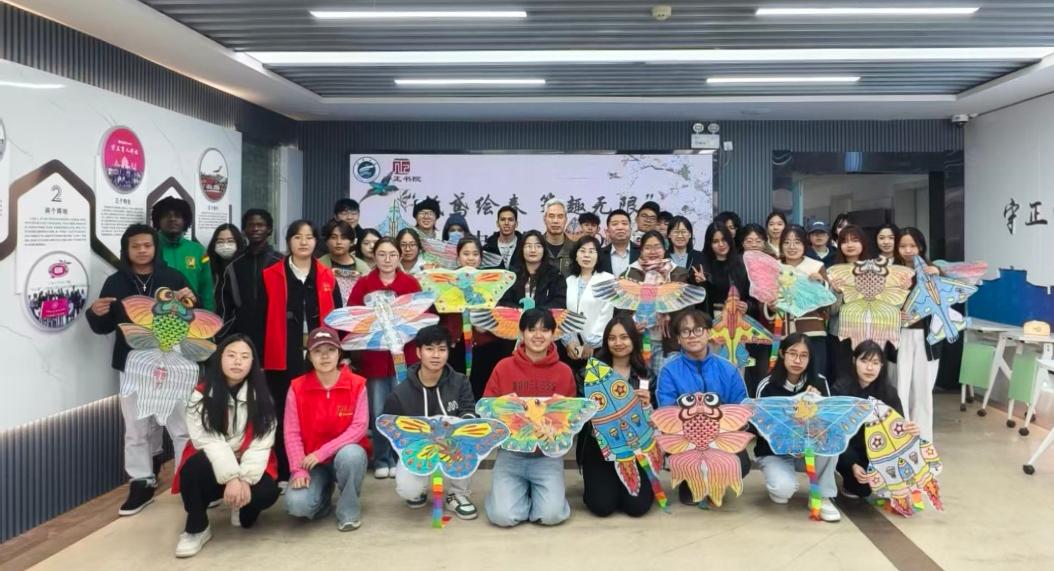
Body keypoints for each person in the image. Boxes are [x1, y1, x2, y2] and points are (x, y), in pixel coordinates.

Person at [86, 224, 193, 516]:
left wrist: (190, 303)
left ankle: (189, 479)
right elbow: (103, 327)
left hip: (171, 362)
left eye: (147, 245)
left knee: (181, 426)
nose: (142, 250)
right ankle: (141, 482)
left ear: (155, 247)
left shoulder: (173, 277)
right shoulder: (116, 282)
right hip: (132, 364)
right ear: (126, 249)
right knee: (136, 428)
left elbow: (192, 320)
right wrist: (94, 314)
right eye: (136, 246)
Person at [174, 334, 280, 557]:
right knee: (193, 469)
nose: (237, 362)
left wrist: (245, 480)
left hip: (246, 461)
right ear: (220, 357)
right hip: (213, 461)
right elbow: (207, 440)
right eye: (231, 355)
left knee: (266, 492)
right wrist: (232, 477)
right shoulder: (201, 394)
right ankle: (197, 527)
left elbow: (261, 445)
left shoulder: (262, 397)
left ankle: (240, 506)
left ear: (252, 363)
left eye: (244, 357)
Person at [261, 220, 343, 483]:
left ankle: (320, 468)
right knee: (285, 413)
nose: (304, 242)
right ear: (288, 241)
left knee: (318, 412)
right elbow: (260, 317)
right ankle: (286, 470)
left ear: (316, 242)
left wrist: (342, 355)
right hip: (282, 356)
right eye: (298, 237)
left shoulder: (327, 275)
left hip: (321, 356)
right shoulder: (271, 275)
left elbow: (338, 317)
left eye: (309, 237)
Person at [483, 308, 577, 527]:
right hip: (511, 454)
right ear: (521, 333)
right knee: (503, 517)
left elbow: (570, 418)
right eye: (532, 329)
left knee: (551, 516)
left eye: (545, 330)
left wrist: (557, 430)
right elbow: (488, 409)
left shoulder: (564, 372)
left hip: (547, 456)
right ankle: (512, 495)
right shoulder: (503, 367)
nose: (538, 335)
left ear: (553, 334)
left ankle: (534, 495)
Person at [384, 325, 480, 520]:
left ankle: (457, 493)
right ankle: (419, 489)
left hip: (451, 447)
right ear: (419, 352)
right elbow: (393, 434)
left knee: (470, 440)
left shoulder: (460, 382)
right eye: (430, 349)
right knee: (408, 490)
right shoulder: (400, 393)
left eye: (442, 349)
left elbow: (469, 411)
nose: (436, 355)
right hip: (419, 450)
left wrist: (461, 430)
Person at [656, 309, 750, 504]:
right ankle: (689, 480)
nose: (692, 336)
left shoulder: (728, 369)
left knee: (741, 464)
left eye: (698, 329)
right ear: (678, 338)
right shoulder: (669, 371)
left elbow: (741, 410)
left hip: (720, 437)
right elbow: (668, 414)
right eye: (685, 331)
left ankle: (715, 480)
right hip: (686, 440)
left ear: (709, 333)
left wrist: (720, 432)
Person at [347, 237, 423, 478]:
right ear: (374, 256)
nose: (387, 259)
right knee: (379, 409)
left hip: (405, 357)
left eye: (392, 254)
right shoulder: (364, 284)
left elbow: (423, 316)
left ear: (400, 256)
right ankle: (382, 458)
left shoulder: (410, 283)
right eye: (382, 254)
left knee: (405, 407)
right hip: (375, 359)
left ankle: (403, 458)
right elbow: (352, 317)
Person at [284, 327, 371, 531]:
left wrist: (323, 452)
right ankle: (323, 498)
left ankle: (348, 510)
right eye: (317, 351)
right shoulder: (297, 387)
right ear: (309, 356)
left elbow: (359, 427)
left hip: (342, 457)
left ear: (339, 353)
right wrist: (298, 470)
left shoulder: (357, 384)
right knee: (297, 505)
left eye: (330, 350)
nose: (325, 356)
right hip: (311, 463)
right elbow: (291, 433)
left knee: (352, 455)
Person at [753, 333, 842, 522]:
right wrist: (792, 440)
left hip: (808, 451)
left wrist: (817, 405)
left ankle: (822, 496)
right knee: (783, 492)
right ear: (782, 354)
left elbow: (828, 425)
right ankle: (780, 482)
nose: (797, 360)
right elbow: (761, 429)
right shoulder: (767, 385)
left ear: (810, 358)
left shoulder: (819, 382)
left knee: (831, 443)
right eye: (792, 353)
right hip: (775, 451)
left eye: (803, 355)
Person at [576, 314, 655, 517]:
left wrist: (648, 405)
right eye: (612, 338)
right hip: (599, 449)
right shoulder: (588, 374)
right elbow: (578, 415)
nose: (618, 343)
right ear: (606, 341)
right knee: (602, 506)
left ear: (634, 339)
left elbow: (654, 422)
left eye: (624, 337)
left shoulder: (645, 375)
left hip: (635, 448)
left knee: (637, 507)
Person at [834, 340, 915, 500]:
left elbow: (897, 430)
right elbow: (835, 434)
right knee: (860, 489)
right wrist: (852, 464)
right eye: (864, 361)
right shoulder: (840, 390)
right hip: (847, 451)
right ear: (854, 361)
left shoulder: (889, 393)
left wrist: (910, 431)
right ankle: (841, 472)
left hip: (875, 452)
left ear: (882, 365)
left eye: (875, 363)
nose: (869, 368)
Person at [893, 227, 942, 442]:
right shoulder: (892, 273)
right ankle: (899, 438)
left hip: (926, 338)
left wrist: (937, 276)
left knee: (923, 391)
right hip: (900, 336)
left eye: (912, 245)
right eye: (903, 246)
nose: (908, 250)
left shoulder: (933, 270)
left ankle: (923, 441)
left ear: (921, 247)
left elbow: (946, 301)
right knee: (900, 388)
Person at [770, 225, 830, 379]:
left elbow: (828, 303)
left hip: (812, 332)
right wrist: (769, 306)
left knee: (815, 377)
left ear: (805, 244)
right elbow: (765, 295)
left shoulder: (816, 266)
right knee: (782, 378)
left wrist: (821, 284)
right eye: (786, 242)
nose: (792, 247)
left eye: (797, 242)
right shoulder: (773, 266)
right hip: (782, 332)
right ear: (781, 245)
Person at [626, 230, 690, 374]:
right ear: (641, 250)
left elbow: (686, 309)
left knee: (665, 380)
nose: (653, 251)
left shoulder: (678, 273)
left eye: (657, 247)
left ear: (664, 249)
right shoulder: (631, 273)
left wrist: (668, 312)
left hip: (669, 340)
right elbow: (624, 309)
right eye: (648, 247)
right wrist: (632, 323)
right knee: (643, 381)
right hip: (641, 339)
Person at [220, 209, 282, 353]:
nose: (255, 229)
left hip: (274, 330)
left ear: (269, 229)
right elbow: (225, 304)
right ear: (244, 230)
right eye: (251, 225)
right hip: (241, 332)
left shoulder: (281, 262)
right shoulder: (234, 264)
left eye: (260, 225)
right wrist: (222, 335)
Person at [828, 225, 873, 381]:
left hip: (866, 333)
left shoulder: (874, 271)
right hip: (839, 334)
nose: (850, 245)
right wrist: (837, 292)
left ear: (863, 243)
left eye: (854, 240)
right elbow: (831, 311)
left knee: (865, 377)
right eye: (845, 241)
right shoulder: (833, 271)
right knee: (842, 378)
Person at [152, 197, 214, 310]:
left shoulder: (199, 251)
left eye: (178, 215)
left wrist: (209, 314)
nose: (172, 219)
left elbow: (206, 289)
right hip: (156, 313)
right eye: (166, 215)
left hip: (192, 313)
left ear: (185, 220)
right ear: (158, 220)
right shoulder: (150, 249)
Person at [564, 236, 615, 370]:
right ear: (576, 256)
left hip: (599, 347)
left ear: (598, 256)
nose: (586, 255)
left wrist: (592, 343)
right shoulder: (569, 281)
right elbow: (564, 314)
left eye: (591, 251)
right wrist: (569, 341)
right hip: (573, 347)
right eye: (582, 251)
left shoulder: (608, 280)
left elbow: (606, 314)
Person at [498, 230, 567, 310]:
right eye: (528, 246)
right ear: (522, 249)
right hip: (517, 317)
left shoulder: (555, 275)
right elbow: (505, 302)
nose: (533, 250)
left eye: (538, 246)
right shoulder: (512, 275)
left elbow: (559, 302)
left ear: (544, 250)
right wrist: (521, 311)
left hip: (544, 317)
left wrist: (536, 312)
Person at [695, 222, 752, 318]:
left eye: (724, 239)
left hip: (738, 319)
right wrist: (702, 284)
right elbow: (699, 304)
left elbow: (752, 298)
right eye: (715, 241)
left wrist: (748, 306)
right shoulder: (702, 268)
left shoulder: (742, 264)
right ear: (709, 244)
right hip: (712, 321)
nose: (721, 244)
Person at [207, 223, 244, 336]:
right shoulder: (208, 268)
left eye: (230, 241)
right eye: (220, 242)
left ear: (238, 243)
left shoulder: (243, 268)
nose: (225, 245)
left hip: (237, 330)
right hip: (209, 328)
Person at [320, 219, 369, 304]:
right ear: (326, 241)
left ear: (351, 242)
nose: (338, 242)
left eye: (343, 238)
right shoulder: (318, 265)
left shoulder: (363, 268)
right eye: (333, 237)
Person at [598, 209, 639, 276]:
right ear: (608, 231)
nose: (620, 227)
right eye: (615, 224)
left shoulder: (641, 252)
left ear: (631, 229)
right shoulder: (599, 254)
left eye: (624, 223)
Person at [542, 198, 575, 276]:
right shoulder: (536, 247)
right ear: (544, 219)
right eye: (551, 216)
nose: (555, 221)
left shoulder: (575, 249)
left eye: (560, 216)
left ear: (566, 220)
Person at [483, 206, 521, 271]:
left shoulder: (524, 246)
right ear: (497, 223)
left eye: (510, 220)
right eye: (503, 219)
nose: (506, 223)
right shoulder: (487, 249)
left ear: (516, 224)